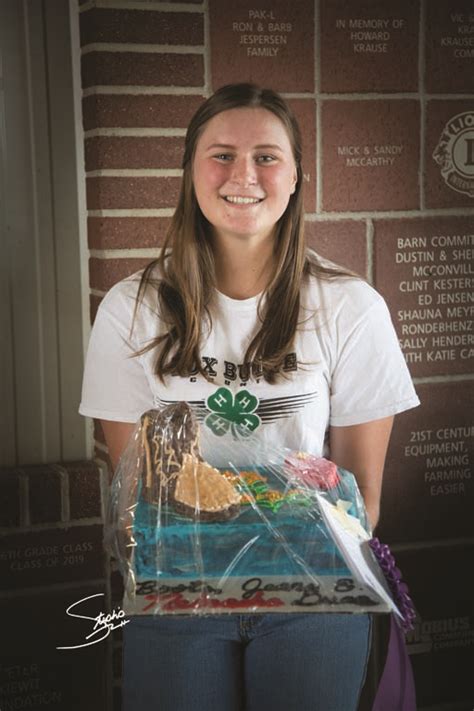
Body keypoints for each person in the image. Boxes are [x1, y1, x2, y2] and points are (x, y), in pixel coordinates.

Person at [79, 83, 419, 711]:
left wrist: (269, 535)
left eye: (267, 156)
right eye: (221, 154)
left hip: (315, 594)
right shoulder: (132, 309)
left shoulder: (351, 307)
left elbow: (362, 503)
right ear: (190, 174)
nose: (244, 175)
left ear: (295, 178)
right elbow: (142, 504)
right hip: (178, 597)